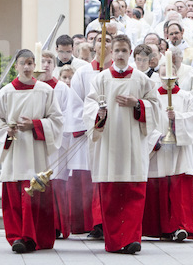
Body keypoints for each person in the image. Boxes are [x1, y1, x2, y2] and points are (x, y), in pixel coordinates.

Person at [83, 34, 160, 254]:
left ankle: (132, 239)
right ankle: (116, 241)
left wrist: (138, 104)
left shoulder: (141, 80)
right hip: (108, 143)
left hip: (133, 142)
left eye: (124, 51)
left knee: (134, 192)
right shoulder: (100, 79)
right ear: (111, 53)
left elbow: (156, 107)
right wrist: (98, 114)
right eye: (116, 50)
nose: (119, 55)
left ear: (130, 53)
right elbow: (88, 108)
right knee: (110, 195)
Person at [0, 49, 64, 254]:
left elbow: (57, 121)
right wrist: (7, 131)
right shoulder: (5, 93)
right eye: (23, 63)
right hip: (15, 153)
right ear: (16, 66)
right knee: (15, 197)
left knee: (35, 195)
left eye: (30, 63)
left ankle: (36, 237)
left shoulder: (45, 91)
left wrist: (35, 125)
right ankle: (18, 237)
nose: (27, 67)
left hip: (36, 152)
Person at [142, 65, 193, 241]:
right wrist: (155, 139)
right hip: (158, 148)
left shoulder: (186, 96)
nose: (167, 77)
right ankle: (159, 228)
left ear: (176, 75)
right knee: (157, 186)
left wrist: (178, 119)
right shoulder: (152, 98)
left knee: (177, 187)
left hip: (178, 150)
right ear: (158, 76)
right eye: (163, 73)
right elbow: (144, 121)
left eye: (170, 73)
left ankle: (179, 226)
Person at [68, 32, 114, 238]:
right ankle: (97, 222)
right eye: (99, 41)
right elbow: (76, 103)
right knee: (95, 179)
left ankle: (111, 221)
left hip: (115, 135)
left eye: (108, 41)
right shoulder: (83, 73)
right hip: (92, 133)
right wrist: (91, 123)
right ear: (93, 46)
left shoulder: (120, 73)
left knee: (112, 178)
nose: (103, 45)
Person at [37, 51, 79, 240]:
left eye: (49, 62)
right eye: (42, 61)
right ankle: (42, 224)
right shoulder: (33, 88)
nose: (45, 65)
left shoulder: (62, 88)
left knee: (56, 184)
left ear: (54, 66)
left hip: (56, 142)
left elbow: (66, 115)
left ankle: (58, 225)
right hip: (36, 142)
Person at [170, 46, 193, 185]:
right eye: (171, 57)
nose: (174, 59)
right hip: (170, 116)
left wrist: (183, 99)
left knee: (189, 152)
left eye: (176, 56)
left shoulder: (191, 72)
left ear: (181, 57)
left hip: (187, 116)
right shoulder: (165, 71)